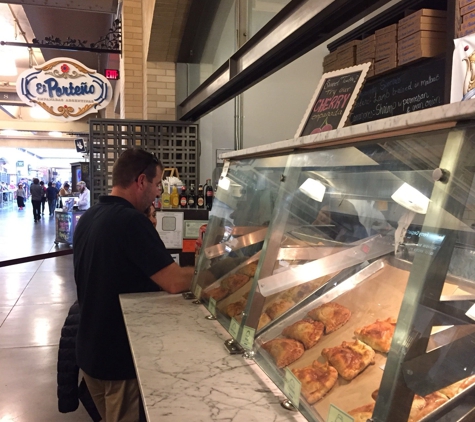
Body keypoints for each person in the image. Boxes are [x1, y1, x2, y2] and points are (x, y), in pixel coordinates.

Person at [73, 148, 194, 422]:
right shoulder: (130, 222)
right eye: (156, 184)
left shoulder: (90, 217)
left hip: (90, 352)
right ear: (141, 181)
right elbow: (174, 281)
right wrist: (214, 272)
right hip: (118, 361)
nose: (158, 192)